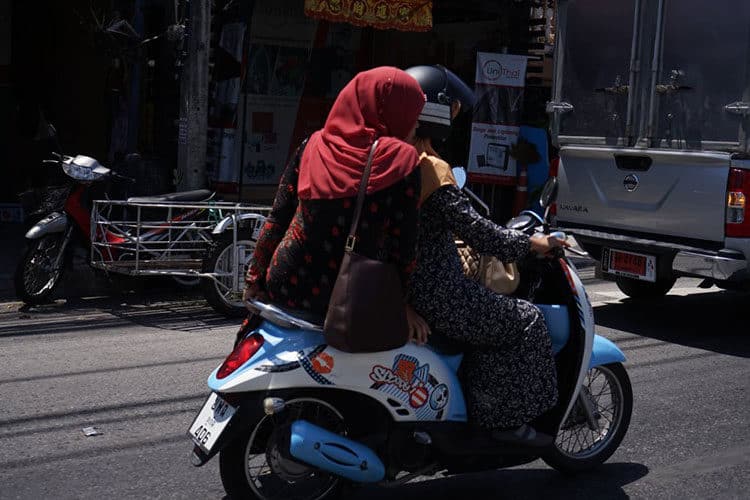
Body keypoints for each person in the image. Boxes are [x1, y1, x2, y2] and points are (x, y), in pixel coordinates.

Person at [404, 65, 563, 444]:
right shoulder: (431, 169)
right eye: (453, 112)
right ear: (437, 115)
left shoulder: (395, 157)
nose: (456, 121)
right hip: (438, 292)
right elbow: (479, 232)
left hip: (407, 286)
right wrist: (532, 245)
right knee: (525, 320)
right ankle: (503, 422)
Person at [243, 66, 431, 342]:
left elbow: (277, 219)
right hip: (345, 296)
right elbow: (403, 248)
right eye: (413, 114)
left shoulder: (312, 144)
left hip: (284, 284)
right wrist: (402, 304)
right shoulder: (401, 160)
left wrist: (254, 281)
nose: (416, 125)